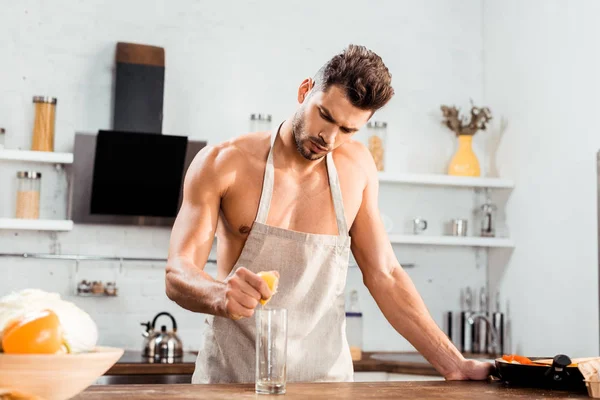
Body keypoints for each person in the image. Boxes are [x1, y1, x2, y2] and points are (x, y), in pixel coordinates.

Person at [165, 44, 494, 383]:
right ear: (304, 91)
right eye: (325, 115)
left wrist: (454, 363)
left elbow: (385, 275)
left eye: (348, 130)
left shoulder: (358, 168)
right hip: (232, 382)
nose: (329, 138)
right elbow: (178, 273)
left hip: (325, 385)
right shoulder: (223, 162)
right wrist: (219, 295)